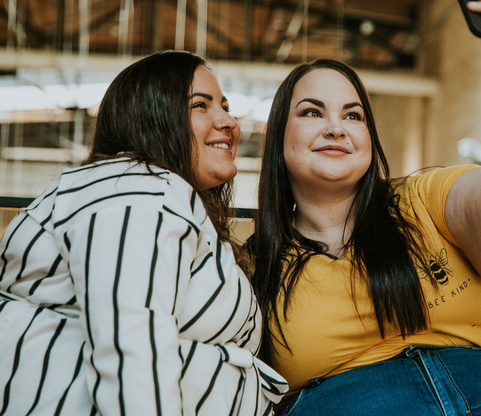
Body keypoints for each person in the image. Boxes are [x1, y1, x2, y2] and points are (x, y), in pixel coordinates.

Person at [248, 0, 481, 415]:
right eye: (311, 112)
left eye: (353, 115)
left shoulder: (421, 200)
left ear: (369, 138)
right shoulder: (254, 264)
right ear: (279, 136)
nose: (335, 127)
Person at [0, 50, 287, 415]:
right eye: (201, 105)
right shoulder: (134, 186)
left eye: (226, 106)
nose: (228, 121)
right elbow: (131, 341)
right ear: (153, 117)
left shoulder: (161, 197)